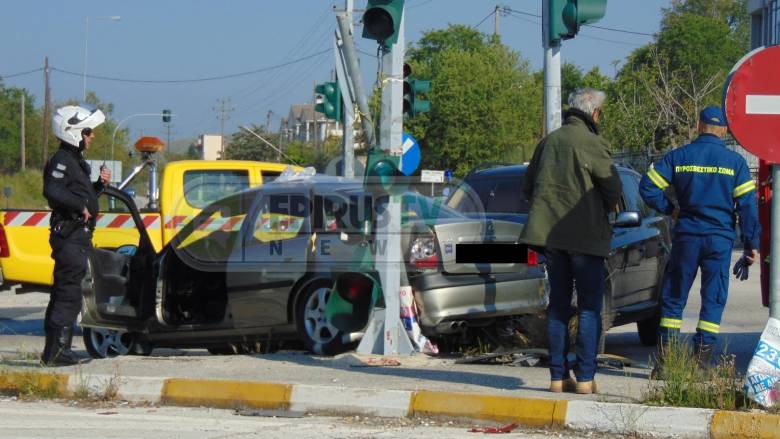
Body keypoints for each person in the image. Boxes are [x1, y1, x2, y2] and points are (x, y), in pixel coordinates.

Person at [639, 106, 759, 370]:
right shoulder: (735, 163)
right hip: (719, 240)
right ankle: (701, 364)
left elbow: (647, 187)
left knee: (674, 297)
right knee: (713, 298)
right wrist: (752, 244)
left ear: (698, 126)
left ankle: (665, 364)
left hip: (687, 238)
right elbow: (748, 207)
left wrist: (671, 209)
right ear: (724, 130)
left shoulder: (679, 156)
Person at [521, 88, 622, 394]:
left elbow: (528, 187)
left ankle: (556, 377)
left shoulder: (548, 142)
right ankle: (586, 378)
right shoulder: (593, 143)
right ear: (594, 113)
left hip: (552, 238)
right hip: (586, 239)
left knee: (558, 307)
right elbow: (612, 189)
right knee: (590, 308)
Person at [41, 105, 111, 366]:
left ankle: (56, 351)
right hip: (70, 235)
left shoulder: (75, 161)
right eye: (88, 131)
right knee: (68, 292)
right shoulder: (62, 159)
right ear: (74, 132)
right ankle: (58, 353)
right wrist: (78, 206)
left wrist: (99, 187)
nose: (92, 136)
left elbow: (81, 196)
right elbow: (52, 190)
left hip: (77, 236)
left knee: (67, 290)